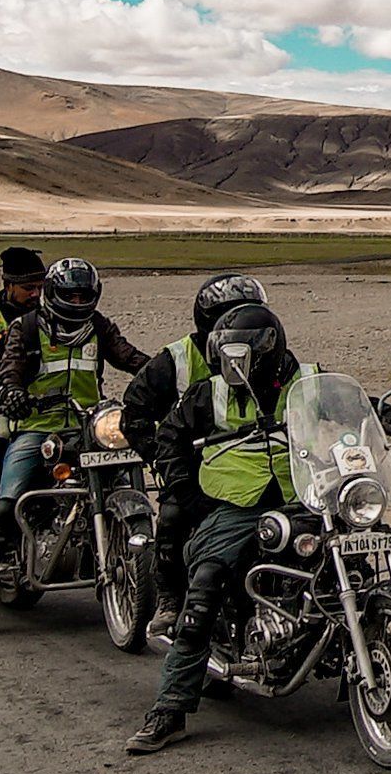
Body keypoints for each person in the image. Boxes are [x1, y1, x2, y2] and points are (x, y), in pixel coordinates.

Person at [122, 292, 391, 754]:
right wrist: (181, 484)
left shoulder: (305, 381)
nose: (232, 367)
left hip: (302, 495)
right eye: (226, 357)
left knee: (356, 556)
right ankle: (170, 708)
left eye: (239, 357)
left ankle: (376, 651)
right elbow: (170, 434)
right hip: (232, 504)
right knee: (206, 581)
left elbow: (347, 406)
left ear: (265, 351)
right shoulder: (210, 392)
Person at [0, 258, 150, 640]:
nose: (77, 300)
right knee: (7, 505)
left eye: (83, 294)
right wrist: (11, 393)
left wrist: (158, 374)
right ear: (54, 294)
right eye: (69, 293)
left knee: (124, 475)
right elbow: (9, 371)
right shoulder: (25, 328)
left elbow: (128, 355)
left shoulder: (98, 326)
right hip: (37, 430)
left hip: (89, 426)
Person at [110, 269, 272, 629]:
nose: (240, 325)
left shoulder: (266, 357)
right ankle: (169, 597)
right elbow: (134, 414)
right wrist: (163, 460)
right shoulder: (176, 359)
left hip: (253, 465)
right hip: (191, 464)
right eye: (232, 316)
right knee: (172, 515)